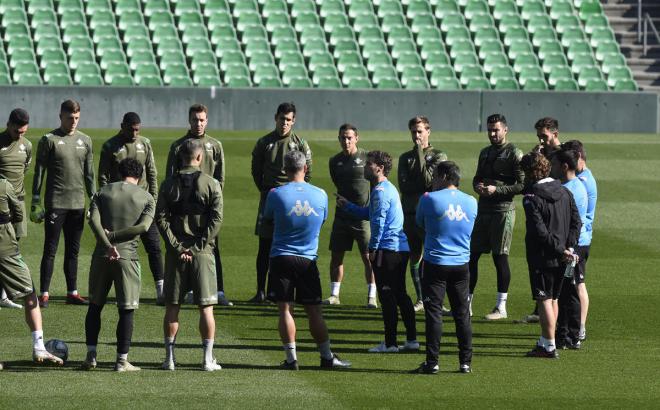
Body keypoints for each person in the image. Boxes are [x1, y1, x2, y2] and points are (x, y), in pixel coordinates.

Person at [264, 150, 351, 370]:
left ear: (285, 169)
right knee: (314, 311)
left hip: (281, 257)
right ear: (305, 168)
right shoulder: (320, 194)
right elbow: (321, 221)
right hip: (307, 260)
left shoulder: (276, 194)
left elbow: (268, 219)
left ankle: (292, 359)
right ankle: (326, 356)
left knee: (285, 310)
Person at [338, 150, 418, 353]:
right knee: (401, 295)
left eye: (368, 164)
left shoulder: (381, 191)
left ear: (379, 168)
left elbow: (379, 222)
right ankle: (411, 340)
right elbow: (370, 213)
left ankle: (390, 343)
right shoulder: (385, 189)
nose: (364, 167)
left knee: (387, 295)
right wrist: (348, 206)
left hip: (388, 250)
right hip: (399, 248)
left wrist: (372, 248)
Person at [82, 158, 155, 372]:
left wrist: (107, 244)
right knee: (126, 309)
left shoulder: (102, 192)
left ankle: (91, 356)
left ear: (118, 173)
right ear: (140, 177)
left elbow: (94, 222)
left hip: (101, 256)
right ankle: (121, 361)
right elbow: (143, 227)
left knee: (95, 306)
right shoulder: (147, 197)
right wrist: (115, 238)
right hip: (127, 258)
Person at [158, 139, 224, 371]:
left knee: (172, 307)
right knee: (206, 308)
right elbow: (216, 220)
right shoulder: (212, 184)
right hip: (203, 253)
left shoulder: (167, 185)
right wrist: (197, 247)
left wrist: (177, 247)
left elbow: (161, 220)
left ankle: (169, 359)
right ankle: (207, 359)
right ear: (200, 158)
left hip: (176, 255)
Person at [165, 104, 231, 306]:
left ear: (207, 121)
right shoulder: (178, 146)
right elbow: (170, 177)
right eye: (195, 119)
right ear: (189, 120)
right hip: (184, 208)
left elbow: (220, 178)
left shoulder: (215, 145)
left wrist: (214, 202)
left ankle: (218, 291)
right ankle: (186, 290)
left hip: (206, 207)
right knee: (183, 244)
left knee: (212, 246)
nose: (199, 123)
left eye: (202, 119)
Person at [414, 161, 476, 374]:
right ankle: (465, 362)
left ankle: (432, 363)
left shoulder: (428, 199)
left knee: (434, 313)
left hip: (436, 263)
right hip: (461, 265)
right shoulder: (471, 201)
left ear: (445, 177)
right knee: (462, 314)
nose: (433, 180)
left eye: (436, 176)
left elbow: (420, 223)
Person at [31, 99, 94, 307]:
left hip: (77, 204)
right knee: (50, 249)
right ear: (61, 116)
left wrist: (93, 199)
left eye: (76, 118)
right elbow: (39, 171)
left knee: (73, 251)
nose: (73, 121)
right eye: (70, 118)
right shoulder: (49, 139)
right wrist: (36, 200)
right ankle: (45, 293)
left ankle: (72, 292)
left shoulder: (85, 140)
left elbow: (89, 174)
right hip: (56, 203)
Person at [97, 112, 164, 305]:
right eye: (131, 129)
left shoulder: (145, 143)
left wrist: (154, 201)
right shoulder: (110, 146)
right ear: (122, 126)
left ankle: (161, 288)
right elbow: (103, 176)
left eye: (137, 129)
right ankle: (112, 289)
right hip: (120, 206)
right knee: (116, 247)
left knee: (154, 247)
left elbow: (152, 173)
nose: (134, 133)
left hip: (143, 205)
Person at [520, 152, 581, 358]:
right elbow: (576, 222)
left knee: (544, 298)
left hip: (543, 255)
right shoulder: (564, 191)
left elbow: (540, 231)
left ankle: (549, 346)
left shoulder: (532, 197)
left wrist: (560, 249)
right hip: (563, 255)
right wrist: (569, 247)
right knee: (554, 297)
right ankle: (547, 340)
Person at [250, 102, 312, 303]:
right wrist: (267, 192)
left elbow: (307, 171)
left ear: (293, 121)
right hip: (270, 199)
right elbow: (256, 170)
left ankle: (282, 292)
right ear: (275, 117)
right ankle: (260, 291)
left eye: (288, 120)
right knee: (265, 246)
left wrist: (294, 193)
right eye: (281, 119)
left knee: (289, 247)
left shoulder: (300, 143)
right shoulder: (264, 143)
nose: (284, 123)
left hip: (293, 203)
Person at [0, 175, 63, 368]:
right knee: (29, 293)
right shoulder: (3, 185)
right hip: (5, 246)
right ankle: (39, 347)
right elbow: (18, 213)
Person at [469, 114, 524, 320]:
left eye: (496, 130)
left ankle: (501, 307)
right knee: (471, 256)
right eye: (490, 130)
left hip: (503, 211)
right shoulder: (485, 153)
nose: (492, 134)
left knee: (499, 258)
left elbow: (522, 185)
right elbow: (476, 178)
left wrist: (496, 190)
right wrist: (478, 186)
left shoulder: (514, 153)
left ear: (505, 130)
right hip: (483, 209)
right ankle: (467, 303)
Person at [323, 123, 376, 308]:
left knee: (369, 257)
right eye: (342, 138)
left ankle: (371, 297)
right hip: (342, 216)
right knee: (336, 256)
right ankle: (334, 295)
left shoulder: (367, 157)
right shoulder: (334, 161)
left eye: (349, 137)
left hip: (363, 218)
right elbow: (337, 182)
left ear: (356, 138)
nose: (346, 141)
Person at [397, 116, 447, 312]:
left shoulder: (439, 156)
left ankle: (435, 300)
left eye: (419, 131)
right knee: (414, 255)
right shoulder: (404, 158)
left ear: (428, 131)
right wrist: (420, 184)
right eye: (413, 132)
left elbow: (429, 182)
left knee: (433, 256)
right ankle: (421, 298)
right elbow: (405, 186)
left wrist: (419, 152)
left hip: (430, 215)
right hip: (410, 213)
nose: (416, 136)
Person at [562, 140, 597, 342]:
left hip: (579, 240)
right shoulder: (584, 176)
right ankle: (571, 327)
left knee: (578, 284)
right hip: (580, 238)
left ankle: (579, 328)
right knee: (573, 284)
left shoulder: (583, 182)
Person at [554, 149, 588, 350]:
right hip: (570, 246)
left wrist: (567, 248)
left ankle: (571, 336)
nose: (552, 167)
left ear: (564, 166)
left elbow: (572, 222)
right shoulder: (570, 186)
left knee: (569, 291)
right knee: (566, 290)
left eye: (555, 163)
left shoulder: (573, 189)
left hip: (572, 247)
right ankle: (565, 335)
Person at [0, 108, 32, 309]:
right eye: (16, 131)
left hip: (18, 201)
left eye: (23, 132)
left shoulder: (27, 145)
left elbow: (25, 167)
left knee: (12, 248)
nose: (19, 135)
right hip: (1, 201)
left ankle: (3, 295)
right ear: (8, 124)